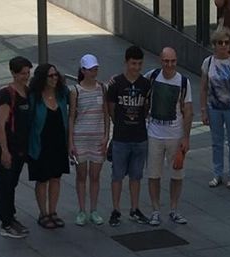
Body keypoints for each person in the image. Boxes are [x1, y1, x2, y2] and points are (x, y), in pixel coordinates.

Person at [145, 47, 193, 227]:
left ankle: (174, 209)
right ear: (160, 60)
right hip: (154, 135)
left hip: (175, 135)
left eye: (172, 61)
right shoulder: (152, 76)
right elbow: (135, 84)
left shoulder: (183, 82)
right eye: (166, 61)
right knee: (153, 174)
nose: (170, 64)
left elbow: (188, 111)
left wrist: (185, 138)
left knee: (177, 174)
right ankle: (155, 210)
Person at [107, 45, 152, 227]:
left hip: (140, 136)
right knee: (117, 175)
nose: (136, 67)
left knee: (136, 175)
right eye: (133, 63)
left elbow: (146, 108)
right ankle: (116, 209)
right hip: (121, 137)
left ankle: (134, 208)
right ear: (126, 62)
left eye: (139, 64)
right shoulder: (116, 84)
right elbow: (111, 109)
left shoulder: (145, 84)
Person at [201, 26, 230, 189]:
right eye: (220, 42)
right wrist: (203, 110)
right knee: (216, 142)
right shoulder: (208, 62)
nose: (223, 45)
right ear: (214, 44)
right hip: (214, 107)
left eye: (226, 42)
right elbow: (203, 88)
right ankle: (217, 173)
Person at [0, 56, 32, 239]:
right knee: (5, 183)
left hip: (21, 148)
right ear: (14, 73)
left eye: (28, 72)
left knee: (12, 183)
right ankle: (6, 222)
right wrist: (5, 151)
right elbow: (1, 125)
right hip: (7, 147)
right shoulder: (6, 94)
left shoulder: (27, 92)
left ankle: (11, 216)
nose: (26, 76)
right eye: (23, 73)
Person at [68, 54, 109, 226]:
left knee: (95, 175)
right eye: (91, 69)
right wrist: (70, 142)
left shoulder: (102, 88)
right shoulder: (75, 91)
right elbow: (71, 117)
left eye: (96, 69)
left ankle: (93, 209)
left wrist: (107, 135)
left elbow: (106, 113)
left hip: (97, 136)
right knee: (81, 175)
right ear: (83, 70)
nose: (94, 72)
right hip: (80, 137)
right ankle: (81, 210)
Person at [28, 63, 70, 229]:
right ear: (42, 79)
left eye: (56, 75)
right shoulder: (34, 97)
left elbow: (78, 93)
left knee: (56, 177)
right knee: (42, 179)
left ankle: (53, 211)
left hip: (58, 143)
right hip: (40, 144)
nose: (54, 78)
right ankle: (43, 213)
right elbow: (29, 121)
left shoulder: (62, 94)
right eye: (50, 76)